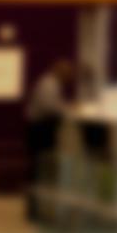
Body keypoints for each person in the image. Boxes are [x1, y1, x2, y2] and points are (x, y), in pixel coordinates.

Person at [22, 59, 75, 224]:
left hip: (41, 130)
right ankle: (34, 211)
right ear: (62, 73)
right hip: (40, 131)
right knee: (39, 170)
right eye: (68, 76)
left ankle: (37, 209)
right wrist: (68, 110)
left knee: (39, 170)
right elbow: (49, 107)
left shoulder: (49, 83)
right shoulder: (49, 84)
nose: (69, 80)